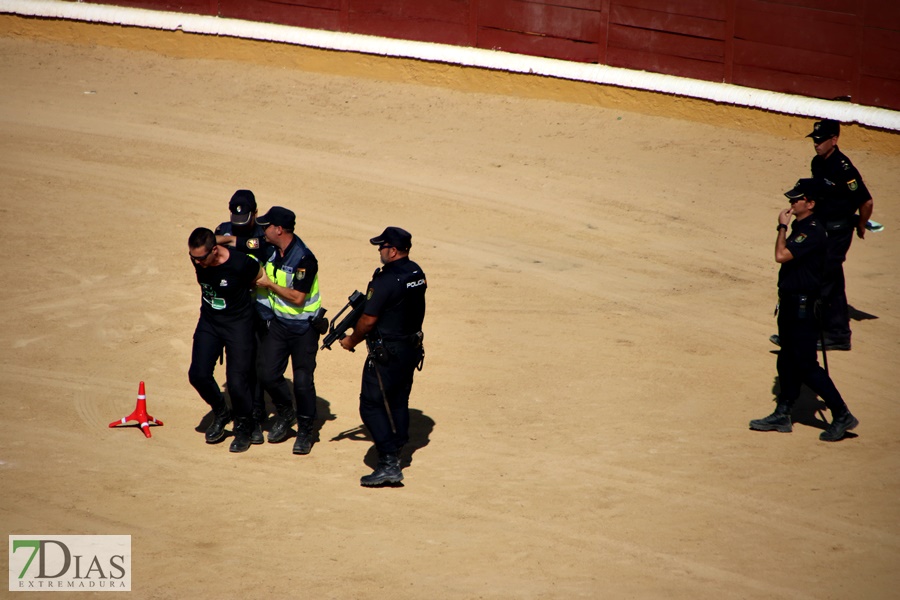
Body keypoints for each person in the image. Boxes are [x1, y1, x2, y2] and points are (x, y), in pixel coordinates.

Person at [750, 180, 858, 442]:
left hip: (803, 307)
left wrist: (781, 226)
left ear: (810, 203)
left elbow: (781, 255)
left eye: (797, 200)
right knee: (786, 359)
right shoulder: (803, 226)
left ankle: (842, 414)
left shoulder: (810, 230)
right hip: (790, 303)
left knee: (807, 365)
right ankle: (783, 412)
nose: (791, 203)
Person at [771, 119, 873, 351]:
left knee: (824, 280)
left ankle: (820, 334)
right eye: (814, 140)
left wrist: (862, 224)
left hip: (838, 231)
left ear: (834, 140)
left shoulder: (843, 167)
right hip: (823, 229)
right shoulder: (818, 163)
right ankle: (835, 333)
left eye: (820, 140)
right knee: (832, 279)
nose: (816, 144)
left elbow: (865, 201)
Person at [340, 227, 427, 486]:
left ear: (393, 250)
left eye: (382, 247)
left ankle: (389, 462)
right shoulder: (416, 273)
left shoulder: (385, 279)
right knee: (399, 399)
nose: (379, 251)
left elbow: (368, 320)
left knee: (370, 404)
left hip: (388, 351)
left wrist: (351, 340)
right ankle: (398, 447)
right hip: (411, 347)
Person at [187, 227, 265, 453]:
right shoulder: (198, 259)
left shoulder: (240, 263)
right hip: (209, 322)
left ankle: (244, 427)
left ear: (214, 250)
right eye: (193, 257)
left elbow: (258, 276)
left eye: (201, 257)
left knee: (237, 381)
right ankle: (222, 412)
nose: (197, 262)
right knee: (198, 375)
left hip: (238, 325)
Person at [255, 207, 323, 455]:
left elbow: (297, 297)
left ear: (279, 229)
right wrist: (216, 238)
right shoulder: (268, 247)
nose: (263, 231)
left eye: (266, 227)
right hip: (280, 326)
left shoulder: (305, 258)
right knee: (267, 374)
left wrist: (268, 284)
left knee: (303, 382)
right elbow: (241, 243)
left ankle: (305, 430)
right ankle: (286, 413)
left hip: (304, 329)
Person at [214, 189, 273, 444]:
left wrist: (227, 241)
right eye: (235, 220)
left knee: (257, 365)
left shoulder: (262, 230)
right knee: (239, 366)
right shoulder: (223, 228)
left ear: (255, 213)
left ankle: (257, 417)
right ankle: (241, 416)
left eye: (245, 220)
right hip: (232, 309)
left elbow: (260, 248)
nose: (239, 225)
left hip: (258, 307)